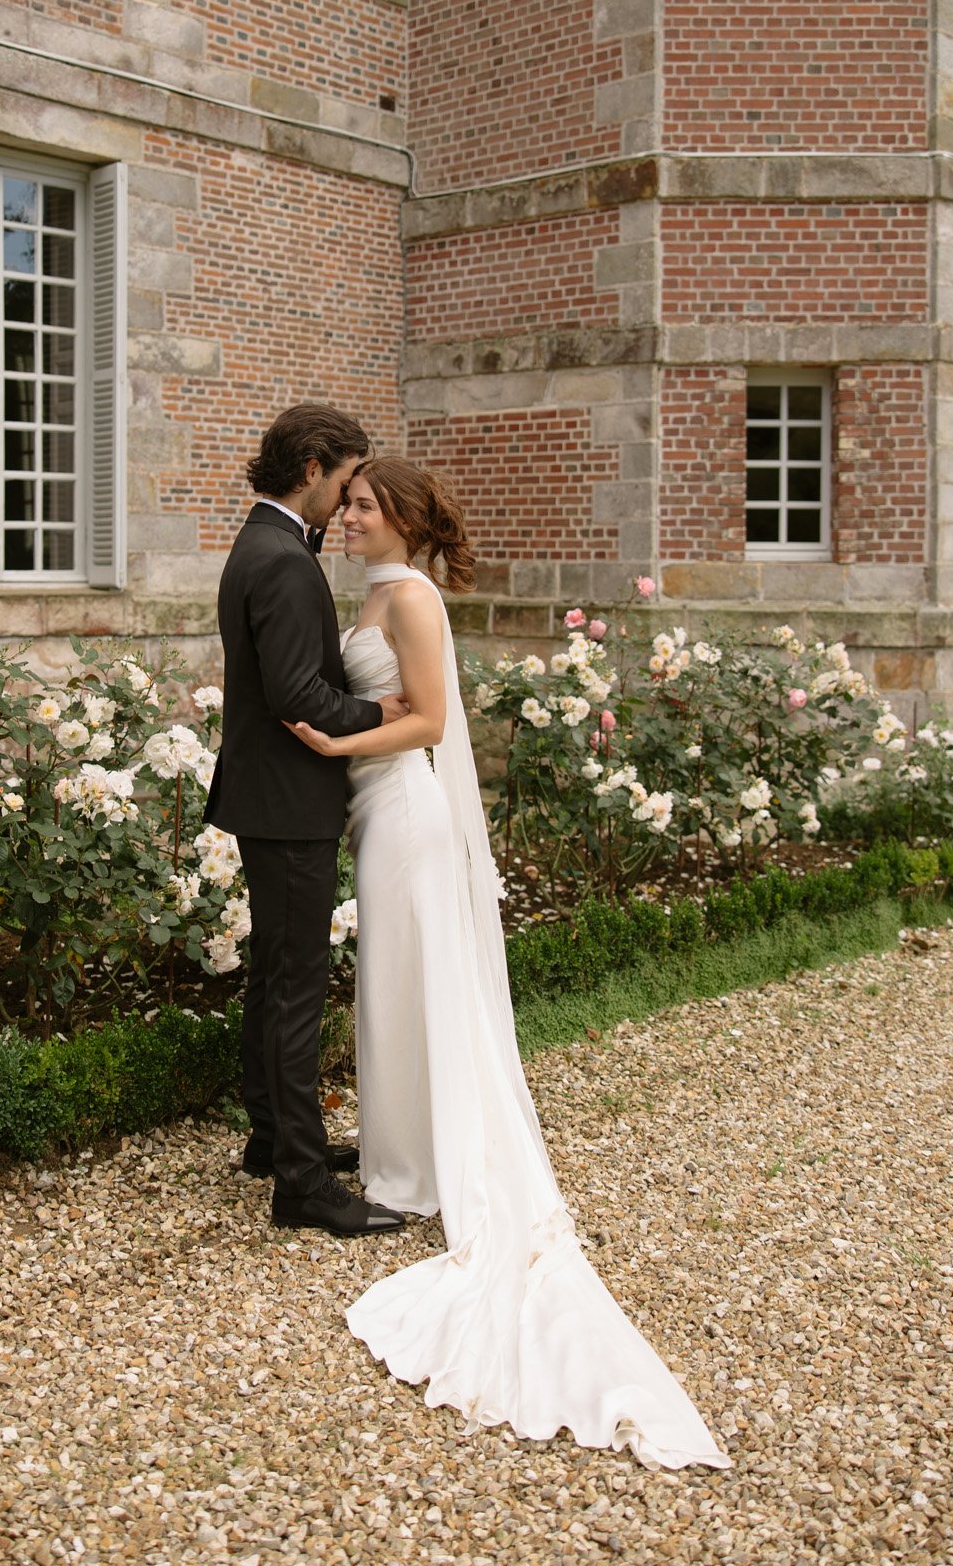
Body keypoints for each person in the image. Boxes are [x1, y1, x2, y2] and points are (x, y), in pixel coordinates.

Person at [286, 457, 731, 1465]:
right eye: (345, 502)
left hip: (405, 807)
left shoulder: (406, 597)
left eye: (361, 504)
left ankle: (413, 1169)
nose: (346, 516)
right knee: (398, 990)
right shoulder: (387, 592)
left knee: (407, 989)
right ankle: (406, 1152)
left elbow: (432, 724)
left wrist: (326, 746)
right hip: (384, 804)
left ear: (399, 517)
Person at [205, 405, 408, 1239]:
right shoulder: (282, 559)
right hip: (289, 804)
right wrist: (377, 709)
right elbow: (296, 693)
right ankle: (300, 1182)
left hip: (270, 798)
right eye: (346, 478)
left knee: (273, 978)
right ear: (315, 465)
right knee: (293, 990)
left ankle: (272, 1140)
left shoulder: (262, 542)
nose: (348, 498)